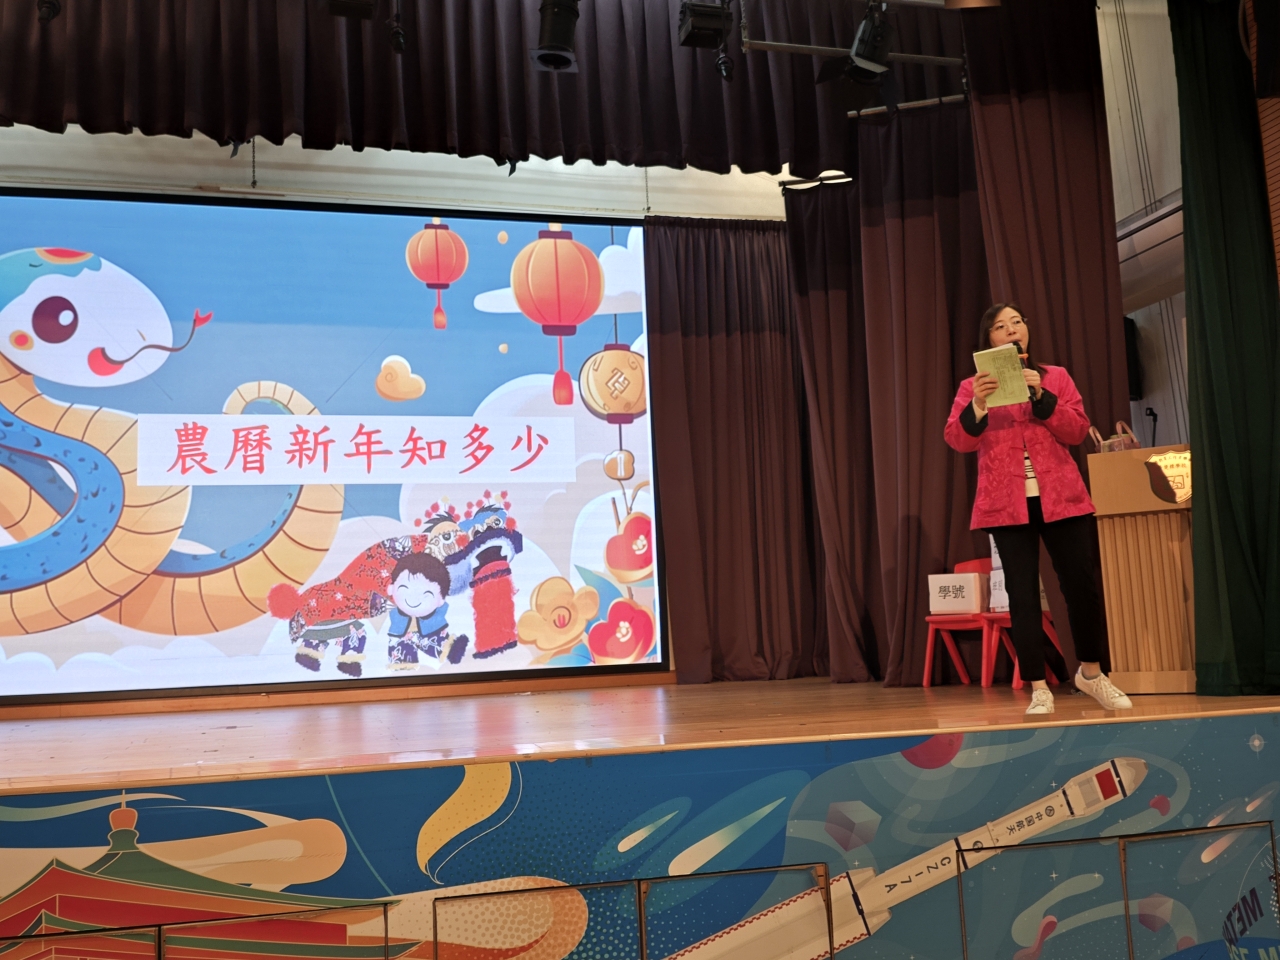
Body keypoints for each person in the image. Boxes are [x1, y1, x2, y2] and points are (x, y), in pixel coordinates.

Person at [944, 303, 1132, 715]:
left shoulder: (1054, 377)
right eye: (1000, 326)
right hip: (1006, 502)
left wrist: (1043, 397)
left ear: (1026, 331)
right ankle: (1038, 686)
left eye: (1017, 322)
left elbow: (1077, 430)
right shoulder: (972, 387)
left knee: (1081, 586)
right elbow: (958, 439)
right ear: (989, 339)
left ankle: (1092, 673)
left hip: (1061, 496)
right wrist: (979, 404)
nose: (1012, 330)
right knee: (1023, 593)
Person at [386, 552, 468, 669]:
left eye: (427, 593)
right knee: (400, 655)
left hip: (429, 631)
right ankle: (403, 668)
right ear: (391, 589)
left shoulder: (435, 616)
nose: (414, 599)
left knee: (438, 642)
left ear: (441, 599)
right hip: (401, 635)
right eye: (404, 588)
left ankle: (451, 649)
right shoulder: (395, 615)